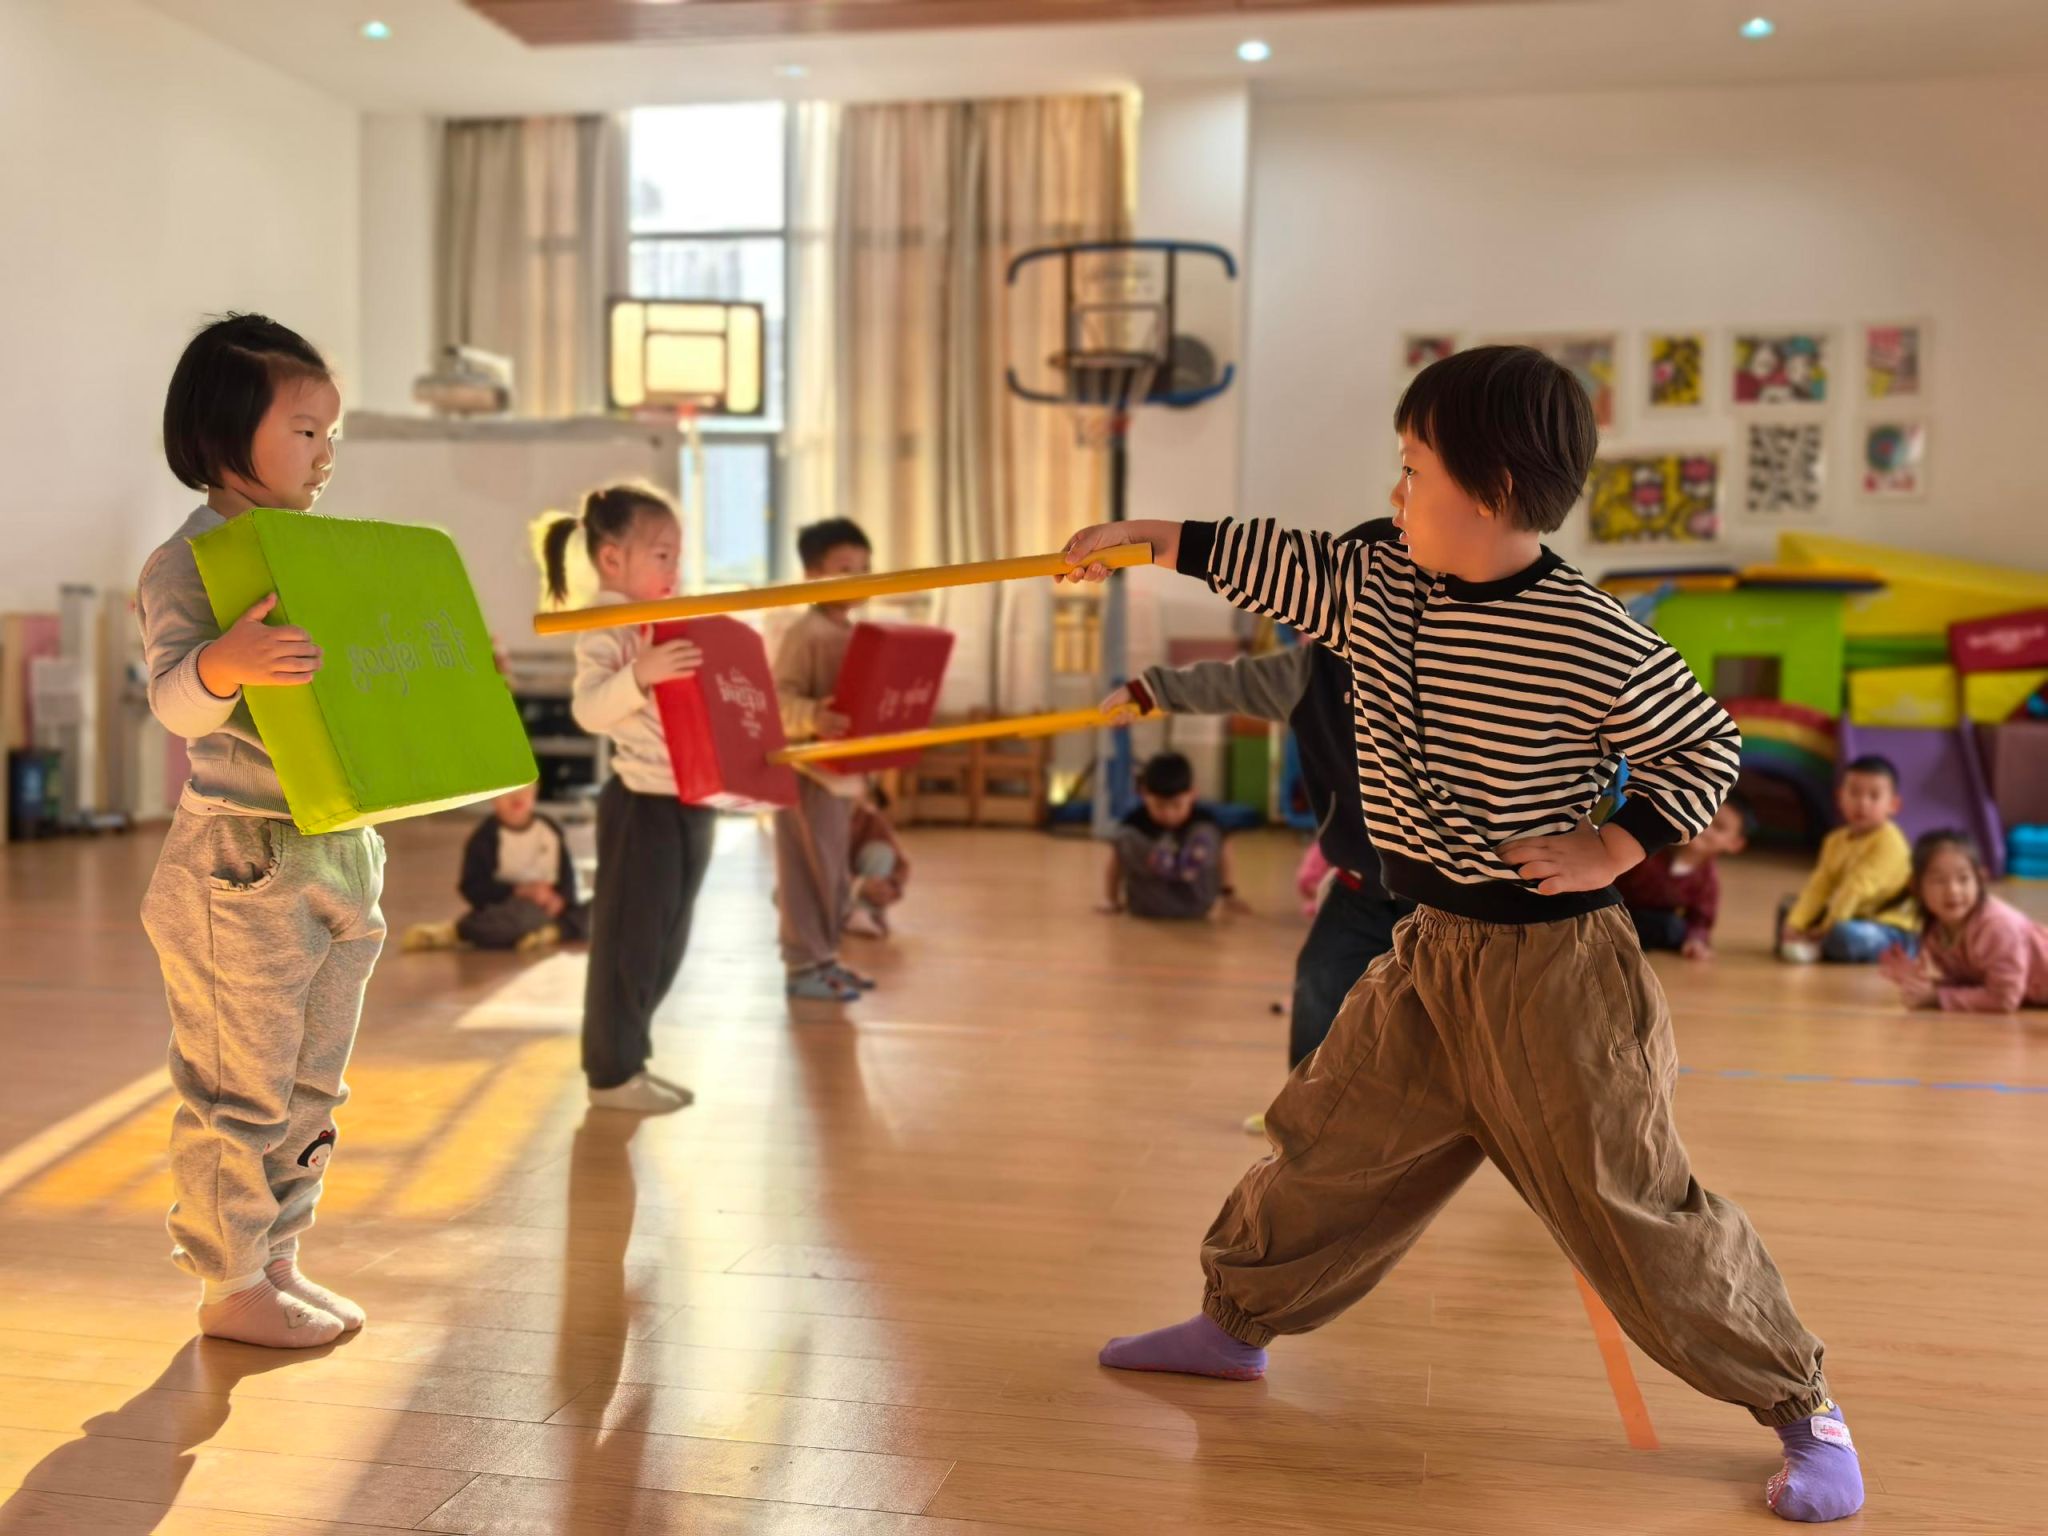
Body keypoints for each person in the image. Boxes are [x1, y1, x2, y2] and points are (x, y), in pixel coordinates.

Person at [1058, 345, 1862, 1523]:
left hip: (1555, 975)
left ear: (1489, 492)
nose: (1392, 492)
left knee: (1627, 1203)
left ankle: (1801, 1405)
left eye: (1411, 469)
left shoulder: (1584, 634)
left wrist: (1613, 844)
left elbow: (1703, 747)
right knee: (1328, 1143)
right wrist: (1149, 535)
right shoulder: (1377, 581)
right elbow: (1276, 558)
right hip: (1430, 946)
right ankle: (1235, 1326)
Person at [138, 313, 380, 1347]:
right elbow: (173, 702)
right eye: (305, 431)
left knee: (312, 1080)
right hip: (239, 856)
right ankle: (230, 1280)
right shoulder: (187, 561)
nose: (325, 454)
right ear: (224, 432)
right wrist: (223, 666)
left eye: (332, 434)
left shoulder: (319, 552)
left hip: (336, 845)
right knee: (239, 1085)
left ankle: (277, 1253)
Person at [1105, 554, 1416, 1067]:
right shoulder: (1311, 672)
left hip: (1446, 899)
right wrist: (1153, 690)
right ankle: (1308, 1104)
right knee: (1318, 986)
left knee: (1444, 1027)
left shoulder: (1446, 669)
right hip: (1360, 888)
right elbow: (1232, 683)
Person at [543, 483, 707, 1114]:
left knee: (667, 939)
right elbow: (589, 709)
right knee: (629, 942)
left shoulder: (658, 616)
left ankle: (631, 1059)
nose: (674, 568)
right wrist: (642, 673)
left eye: (677, 555)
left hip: (689, 792)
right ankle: (610, 1076)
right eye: (662, 555)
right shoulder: (605, 623)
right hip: (642, 801)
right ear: (612, 558)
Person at [774, 518, 876, 1002]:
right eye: (845, 568)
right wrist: (812, 715)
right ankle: (802, 966)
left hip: (839, 776)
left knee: (833, 872)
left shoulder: (854, 633)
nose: (859, 577)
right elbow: (777, 699)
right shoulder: (805, 633)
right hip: (806, 773)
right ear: (813, 575)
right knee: (807, 872)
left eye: (866, 568)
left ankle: (825, 960)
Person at [401, 782, 587, 955]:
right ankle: (460, 931)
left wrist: (560, 899)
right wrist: (521, 891)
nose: (517, 797)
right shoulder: (484, 838)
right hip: (511, 909)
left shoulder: (550, 829)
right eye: (508, 791)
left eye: (524, 789)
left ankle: (552, 931)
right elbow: (473, 888)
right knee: (520, 918)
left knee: (597, 911)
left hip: (553, 909)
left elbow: (567, 876)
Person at [1880, 830, 2048, 1012]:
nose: (1953, 890)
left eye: (1963, 879)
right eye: (1939, 881)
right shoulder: (1935, 931)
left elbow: (2003, 998)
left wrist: (1936, 997)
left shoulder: (1998, 926)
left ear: (1980, 880)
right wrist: (1920, 982)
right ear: (1915, 887)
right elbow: (1970, 981)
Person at [1778, 757, 1916, 964]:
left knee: (1844, 936)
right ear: (1840, 798)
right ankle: (1816, 942)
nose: (1862, 803)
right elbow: (1820, 885)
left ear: (1893, 805)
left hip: (1889, 926)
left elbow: (1856, 887)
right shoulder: (1834, 841)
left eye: (1874, 796)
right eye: (1854, 793)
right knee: (1788, 911)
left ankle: (1822, 944)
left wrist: (1826, 929)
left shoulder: (1890, 842)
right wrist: (1795, 924)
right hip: (1850, 914)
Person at [1100, 751, 1240, 920]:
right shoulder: (1135, 822)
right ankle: (1164, 863)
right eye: (1159, 806)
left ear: (1193, 794)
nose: (1168, 814)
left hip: (1195, 901)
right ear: (1144, 794)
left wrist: (1228, 893)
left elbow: (1224, 850)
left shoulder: (1203, 819)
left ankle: (1177, 864)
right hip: (1150, 903)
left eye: (1177, 805)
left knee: (1209, 832)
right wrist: (1111, 899)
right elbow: (1116, 861)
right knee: (1126, 836)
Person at [1615, 794, 1752, 959]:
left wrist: (1696, 940)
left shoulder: (1707, 878)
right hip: (1613, 911)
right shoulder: (1651, 846)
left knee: (1672, 927)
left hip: (1653, 923)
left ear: (1735, 844)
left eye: (1718, 827)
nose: (1705, 827)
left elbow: (1701, 918)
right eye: (1703, 817)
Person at [845, 789, 909, 939]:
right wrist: (858, 885)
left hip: (864, 891)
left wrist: (887, 886)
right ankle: (857, 913)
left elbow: (901, 865)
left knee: (881, 852)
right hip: (830, 892)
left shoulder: (872, 818)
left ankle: (863, 911)